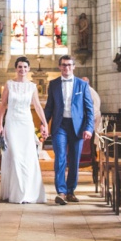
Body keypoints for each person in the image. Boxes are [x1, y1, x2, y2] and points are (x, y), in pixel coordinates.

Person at [43, 54, 94, 205]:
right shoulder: (53, 84)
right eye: (64, 65)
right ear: (59, 67)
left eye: (69, 65)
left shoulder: (82, 85)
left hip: (77, 128)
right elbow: (49, 107)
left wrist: (89, 128)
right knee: (60, 158)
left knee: (74, 160)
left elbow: (89, 109)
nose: (66, 68)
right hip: (60, 126)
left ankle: (71, 190)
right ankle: (61, 192)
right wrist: (44, 124)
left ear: (73, 67)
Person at [0, 56, 48, 203]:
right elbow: (3, 105)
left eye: (25, 67)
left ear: (29, 69)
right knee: (14, 156)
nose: (22, 70)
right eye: (20, 67)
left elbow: (37, 106)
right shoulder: (9, 84)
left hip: (26, 124)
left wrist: (44, 123)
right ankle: (16, 193)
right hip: (12, 122)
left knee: (28, 156)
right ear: (16, 68)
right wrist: (0, 124)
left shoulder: (32, 86)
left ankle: (28, 193)